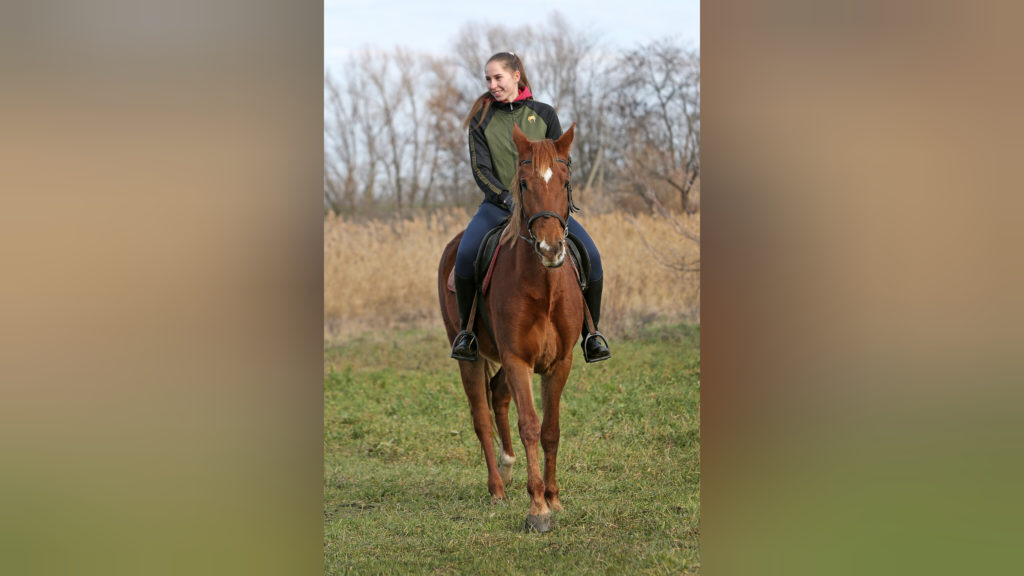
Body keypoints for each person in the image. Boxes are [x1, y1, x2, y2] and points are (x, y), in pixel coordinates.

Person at [450, 51, 611, 364]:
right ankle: (467, 333)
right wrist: (507, 198)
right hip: (498, 207)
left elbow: (562, 159)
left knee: (591, 255)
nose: (492, 84)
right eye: (488, 79)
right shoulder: (481, 121)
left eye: (498, 77)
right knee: (466, 255)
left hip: (545, 209)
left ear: (516, 76)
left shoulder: (544, 113)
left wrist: (551, 197)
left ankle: (591, 334)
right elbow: (480, 169)